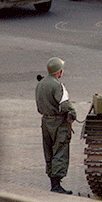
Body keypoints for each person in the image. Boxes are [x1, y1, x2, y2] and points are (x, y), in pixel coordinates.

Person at [35, 57, 77, 194]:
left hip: (45, 121)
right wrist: (73, 114)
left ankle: (52, 182)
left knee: (49, 151)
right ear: (59, 72)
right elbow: (65, 105)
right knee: (60, 151)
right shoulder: (58, 85)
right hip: (59, 123)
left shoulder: (40, 84)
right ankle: (56, 186)